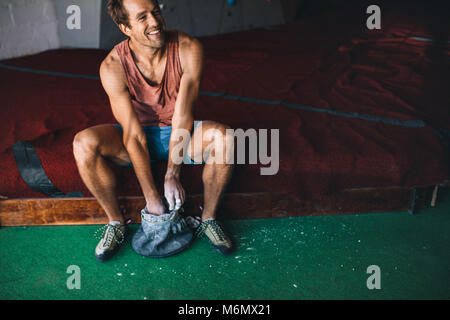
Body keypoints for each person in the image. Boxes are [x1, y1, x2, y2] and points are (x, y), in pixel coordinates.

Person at [73, 0, 234, 261]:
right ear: (125, 27)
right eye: (142, 18)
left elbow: (183, 114)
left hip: (181, 133)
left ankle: (208, 218)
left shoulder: (188, 48)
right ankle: (115, 223)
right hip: (138, 137)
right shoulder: (112, 66)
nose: (155, 22)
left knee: (225, 137)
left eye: (155, 12)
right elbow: (133, 134)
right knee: (83, 143)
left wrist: (172, 173)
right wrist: (152, 197)